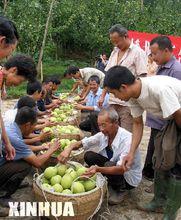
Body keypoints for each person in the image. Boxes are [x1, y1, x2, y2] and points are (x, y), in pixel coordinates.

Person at [103, 65, 181, 219]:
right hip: (172, 119)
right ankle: (158, 202)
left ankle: (170, 213)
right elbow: (137, 123)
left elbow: (178, 113)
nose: (115, 97)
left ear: (123, 87)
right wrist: (130, 153)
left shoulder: (158, 89)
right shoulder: (132, 96)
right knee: (159, 160)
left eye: (113, 93)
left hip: (179, 117)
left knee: (177, 165)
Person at [58, 107, 142, 205]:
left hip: (128, 177)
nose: (101, 129)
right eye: (99, 125)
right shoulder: (104, 134)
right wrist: (68, 148)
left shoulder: (127, 140)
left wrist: (98, 169)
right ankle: (109, 178)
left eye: (104, 125)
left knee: (108, 165)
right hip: (111, 164)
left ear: (115, 123)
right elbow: (84, 142)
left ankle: (120, 189)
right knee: (89, 155)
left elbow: (121, 169)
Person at [0, 107, 59, 207]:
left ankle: (9, 181)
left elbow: (21, 146)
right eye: (34, 126)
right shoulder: (13, 137)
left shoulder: (11, 127)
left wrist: (43, 146)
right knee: (26, 165)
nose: (34, 129)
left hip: (3, 160)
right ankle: (3, 195)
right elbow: (37, 162)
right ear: (27, 125)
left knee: (25, 158)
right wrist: (52, 149)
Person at [143, 36, 181, 181]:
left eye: (155, 53)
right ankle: (152, 177)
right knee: (154, 152)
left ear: (166, 50)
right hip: (157, 122)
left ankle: (162, 186)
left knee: (165, 155)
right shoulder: (161, 67)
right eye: (151, 54)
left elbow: (176, 101)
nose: (152, 57)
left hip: (166, 124)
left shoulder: (176, 70)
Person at [99, 24, 148, 133]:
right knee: (112, 132)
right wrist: (102, 96)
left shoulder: (138, 53)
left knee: (126, 133)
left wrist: (137, 100)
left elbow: (142, 78)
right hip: (113, 101)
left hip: (128, 103)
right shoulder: (115, 52)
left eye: (117, 41)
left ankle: (130, 150)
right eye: (113, 42)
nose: (116, 44)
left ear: (125, 36)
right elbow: (108, 76)